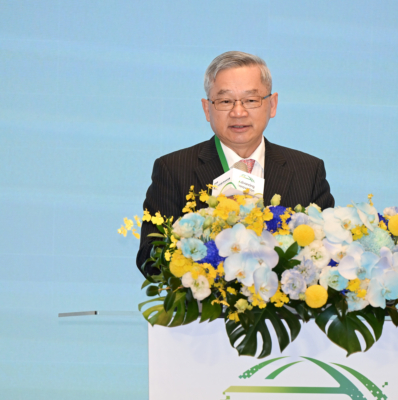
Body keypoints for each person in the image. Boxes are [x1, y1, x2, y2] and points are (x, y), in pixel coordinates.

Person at [137, 51, 334, 276]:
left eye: (251, 100)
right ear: (207, 109)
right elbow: (149, 260)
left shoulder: (308, 171)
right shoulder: (173, 170)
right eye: (225, 101)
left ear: (272, 104)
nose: (238, 112)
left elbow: (328, 257)